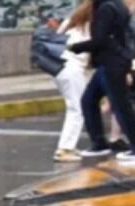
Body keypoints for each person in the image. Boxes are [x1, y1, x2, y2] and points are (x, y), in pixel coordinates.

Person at [70, 0, 135, 162]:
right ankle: (99, 144)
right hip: (112, 62)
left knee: (121, 105)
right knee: (89, 100)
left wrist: (75, 47)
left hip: (112, 63)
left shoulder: (106, 8)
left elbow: (101, 40)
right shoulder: (117, 5)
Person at [53, 0, 92, 162]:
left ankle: (68, 146)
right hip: (75, 68)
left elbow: (57, 38)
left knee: (73, 107)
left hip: (60, 68)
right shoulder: (89, 26)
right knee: (77, 109)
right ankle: (65, 148)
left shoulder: (70, 21)